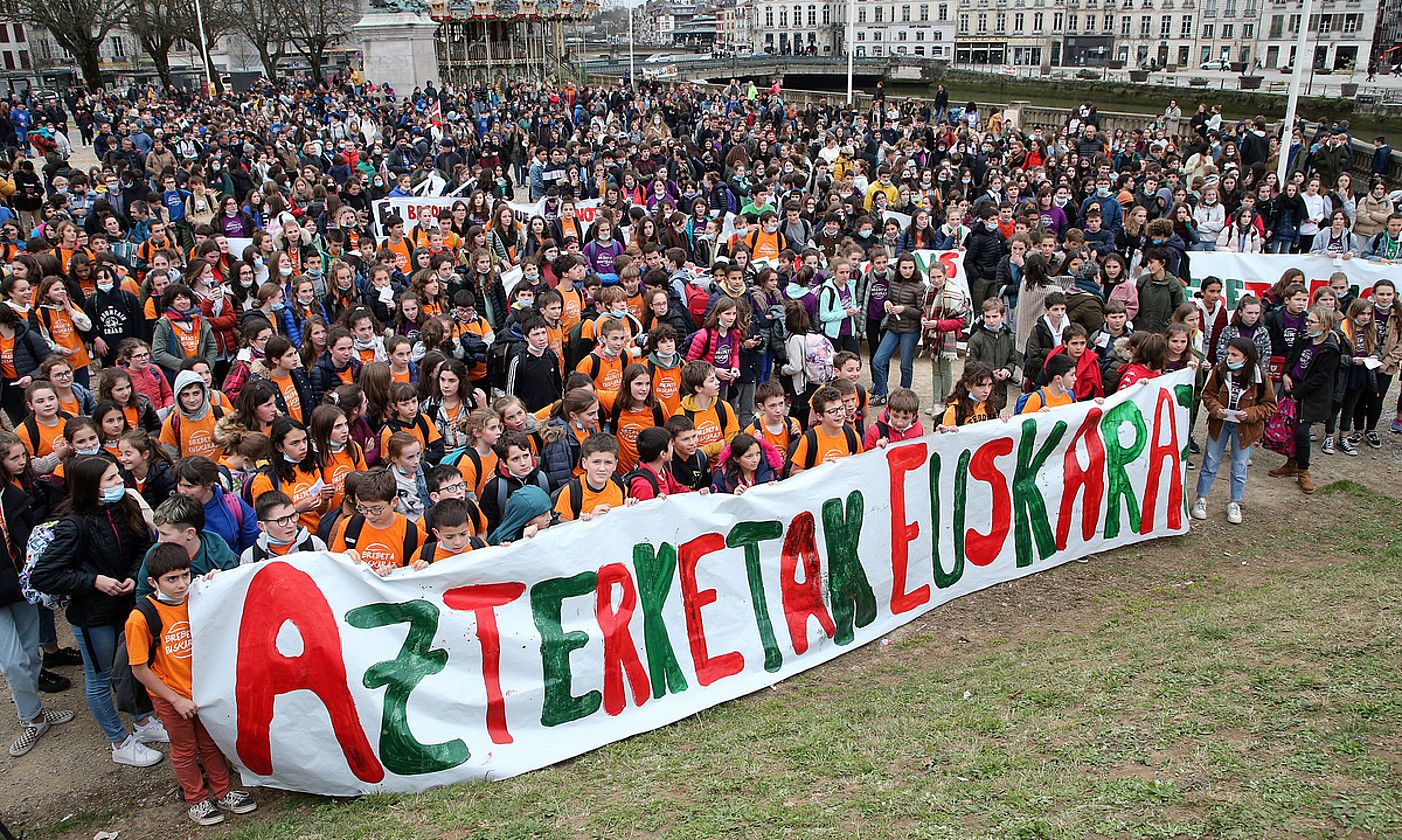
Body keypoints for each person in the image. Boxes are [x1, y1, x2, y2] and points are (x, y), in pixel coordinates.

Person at [28, 456, 166, 768]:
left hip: (126, 606)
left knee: (132, 665)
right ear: (91, 487)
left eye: (118, 476)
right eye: (111, 480)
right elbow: (45, 575)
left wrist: (135, 573)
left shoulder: (125, 507)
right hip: (94, 615)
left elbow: (144, 544)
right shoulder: (72, 525)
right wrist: (94, 581)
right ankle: (119, 741)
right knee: (101, 676)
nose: (120, 483)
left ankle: (142, 723)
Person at [126, 543, 258, 825]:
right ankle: (196, 798)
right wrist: (174, 699)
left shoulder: (194, 596)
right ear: (153, 582)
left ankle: (223, 791)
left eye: (185, 575)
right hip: (170, 696)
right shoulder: (141, 617)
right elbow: (139, 668)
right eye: (171, 579)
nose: (181, 584)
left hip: (201, 689)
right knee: (185, 748)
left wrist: (213, 582)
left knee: (210, 743)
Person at [1192, 338, 1276, 525]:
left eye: (1234, 354)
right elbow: (1208, 394)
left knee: (1240, 465)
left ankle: (1235, 502)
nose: (1229, 357)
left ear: (1246, 358)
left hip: (1245, 428)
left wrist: (1250, 413)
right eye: (1229, 353)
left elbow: (1269, 405)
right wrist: (1216, 409)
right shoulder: (1220, 371)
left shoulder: (1260, 377)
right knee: (1210, 461)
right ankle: (1201, 498)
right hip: (1220, 424)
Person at [1269, 307, 1341, 495]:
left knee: (1302, 431)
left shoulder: (1330, 348)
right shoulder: (1303, 338)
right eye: (1307, 321)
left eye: (1312, 322)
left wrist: (1297, 393)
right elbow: (1291, 357)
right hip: (1292, 386)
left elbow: (1321, 377)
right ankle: (1291, 462)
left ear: (1324, 325)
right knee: (1289, 427)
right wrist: (1285, 374)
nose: (1307, 324)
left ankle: (1303, 470)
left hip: (1309, 395)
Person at [134, 495, 239, 597]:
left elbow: (236, 588)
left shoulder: (217, 550)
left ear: (190, 533)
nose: (159, 540)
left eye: (165, 534)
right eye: (159, 533)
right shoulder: (155, 553)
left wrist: (221, 579)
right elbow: (142, 593)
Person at [329, 467, 422, 575]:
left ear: (394, 502)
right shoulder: (349, 526)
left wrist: (398, 572)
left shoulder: (411, 532)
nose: (369, 515)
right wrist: (343, 558)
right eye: (362, 508)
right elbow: (333, 569)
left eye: (376, 509)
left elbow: (415, 575)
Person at [173, 456, 258, 555]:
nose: (182, 491)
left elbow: (252, 538)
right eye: (180, 484)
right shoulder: (174, 510)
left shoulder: (232, 504)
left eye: (189, 486)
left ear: (209, 485)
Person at [788, 385, 863, 475]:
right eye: (832, 411)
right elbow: (793, 473)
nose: (839, 414)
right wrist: (821, 470)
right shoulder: (810, 440)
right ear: (819, 416)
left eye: (841, 408)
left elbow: (860, 466)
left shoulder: (853, 436)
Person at [552, 433, 626, 521]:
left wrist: (629, 506)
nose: (602, 468)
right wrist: (585, 521)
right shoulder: (571, 493)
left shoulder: (619, 485)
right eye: (596, 462)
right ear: (584, 463)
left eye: (608, 463)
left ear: (615, 465)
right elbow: (562, 529)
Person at [240, 490, 327, 564]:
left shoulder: (315, 545)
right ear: (262, 526)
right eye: (282, 520)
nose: (291, 524)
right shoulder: (250, 558)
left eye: (293, 516)